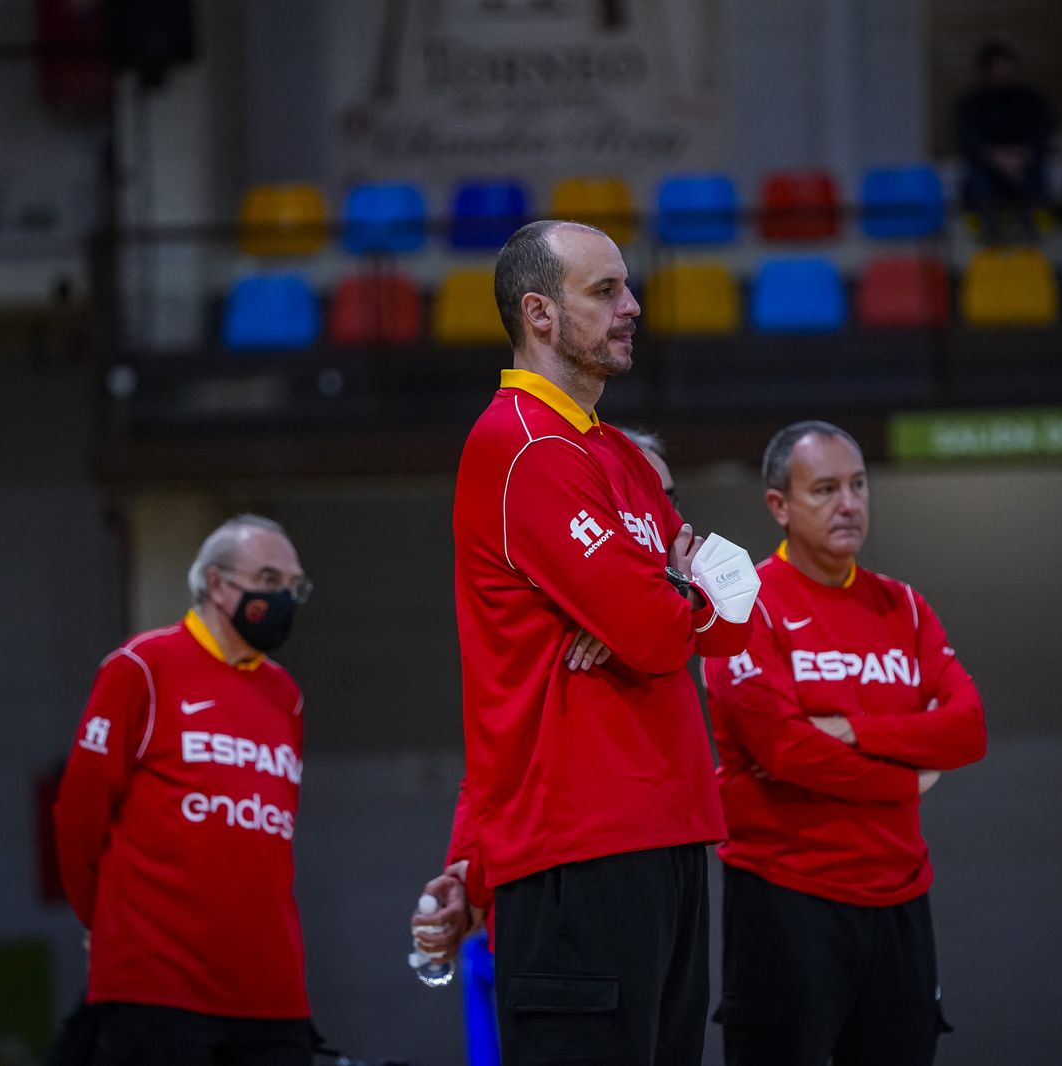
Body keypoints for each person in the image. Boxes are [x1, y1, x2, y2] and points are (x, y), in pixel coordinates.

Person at [450, 219, 756, 1066]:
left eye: (627, 287)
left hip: (668, 827)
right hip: (577, 842)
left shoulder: (615, 451)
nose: (634, 306)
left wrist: (658, 601)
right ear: (539, 314)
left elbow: (735, 616)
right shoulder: (521, 446)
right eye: (606, 291)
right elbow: (665, 632)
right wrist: (666, 594)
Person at [702, 421, 986, 1066]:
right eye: (825, 489)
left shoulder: (904, 606)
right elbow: (785, 750)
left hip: (900, 900)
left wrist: (859, 730)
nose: (849, 504)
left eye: (858, 485)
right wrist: (906, 778)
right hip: (787, 897)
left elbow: (968, 728)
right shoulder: (745, 602)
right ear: (779, 506)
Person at [53, 515, 316, 1066]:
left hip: (271, 992)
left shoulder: (284, 694)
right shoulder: (142, 668)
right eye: (268, 579)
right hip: (158, 987)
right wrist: (101, 924)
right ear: (217, 584)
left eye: (293, 587)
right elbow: (79, 815)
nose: (283, 598)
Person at [412, 426, 681, 965]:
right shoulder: (546, 606)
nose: (659, 516)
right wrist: (470, 870)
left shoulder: (684, 603)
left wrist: (659, 597)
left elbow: (708, 592)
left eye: (668, 499)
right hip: (566, 873)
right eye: (640, 500)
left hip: (670, 861)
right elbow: (503, 754)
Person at [956, 40, 1055, 243]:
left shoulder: (1032, 99)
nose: (1002, 72)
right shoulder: (970, 101)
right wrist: (996, 158)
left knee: (1036, 174)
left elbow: (1042, 133)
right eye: (996, 66)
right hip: (987, 165)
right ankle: (991, 234)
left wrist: (1022, 156)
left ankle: (1029, 231)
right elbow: (968, 139)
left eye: (1005, 65)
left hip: (1024, 163)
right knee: (977, 179)